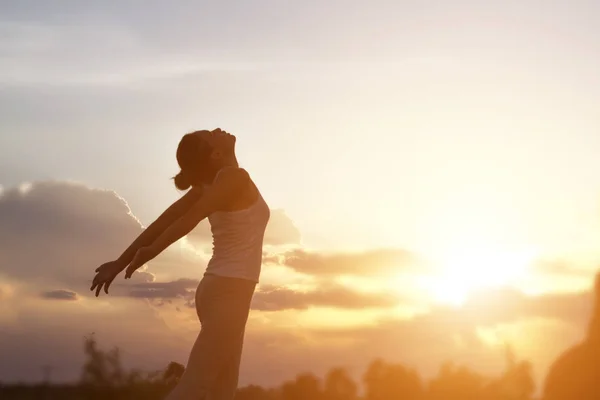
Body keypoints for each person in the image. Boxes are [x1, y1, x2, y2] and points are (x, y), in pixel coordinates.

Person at [90, 128, 270, 400]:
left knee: (222, 391)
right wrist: (147, 253)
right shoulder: (234, 177)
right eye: (211, 135)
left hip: (222, 291)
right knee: (194, 389)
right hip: (228, 294)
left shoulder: (217, 182)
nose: (218, 130)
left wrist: (120, 261)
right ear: (216, 154)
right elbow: (186, 219)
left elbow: (164, 221)